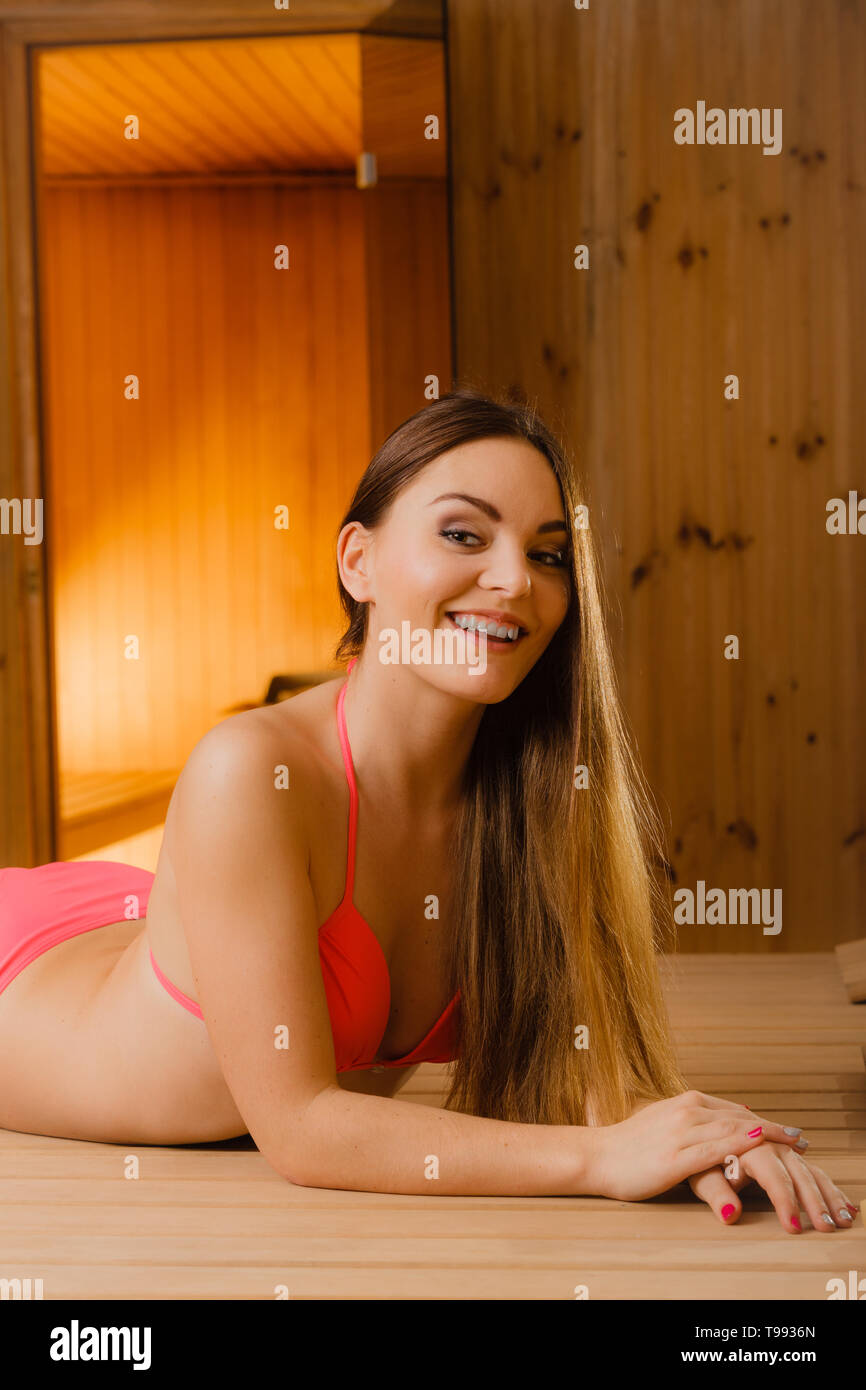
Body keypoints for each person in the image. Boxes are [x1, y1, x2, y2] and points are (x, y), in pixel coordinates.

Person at [0, 388, 855, 1233]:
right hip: (26, 976)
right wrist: (601, 1161)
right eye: (462, 534)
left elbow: (589, 1075)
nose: (514, 578)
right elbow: (300, 1131)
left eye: (548, 553)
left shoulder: (538, 791)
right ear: (357, 562)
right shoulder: (251, 771)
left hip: (115, 915)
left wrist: (711, 1141)